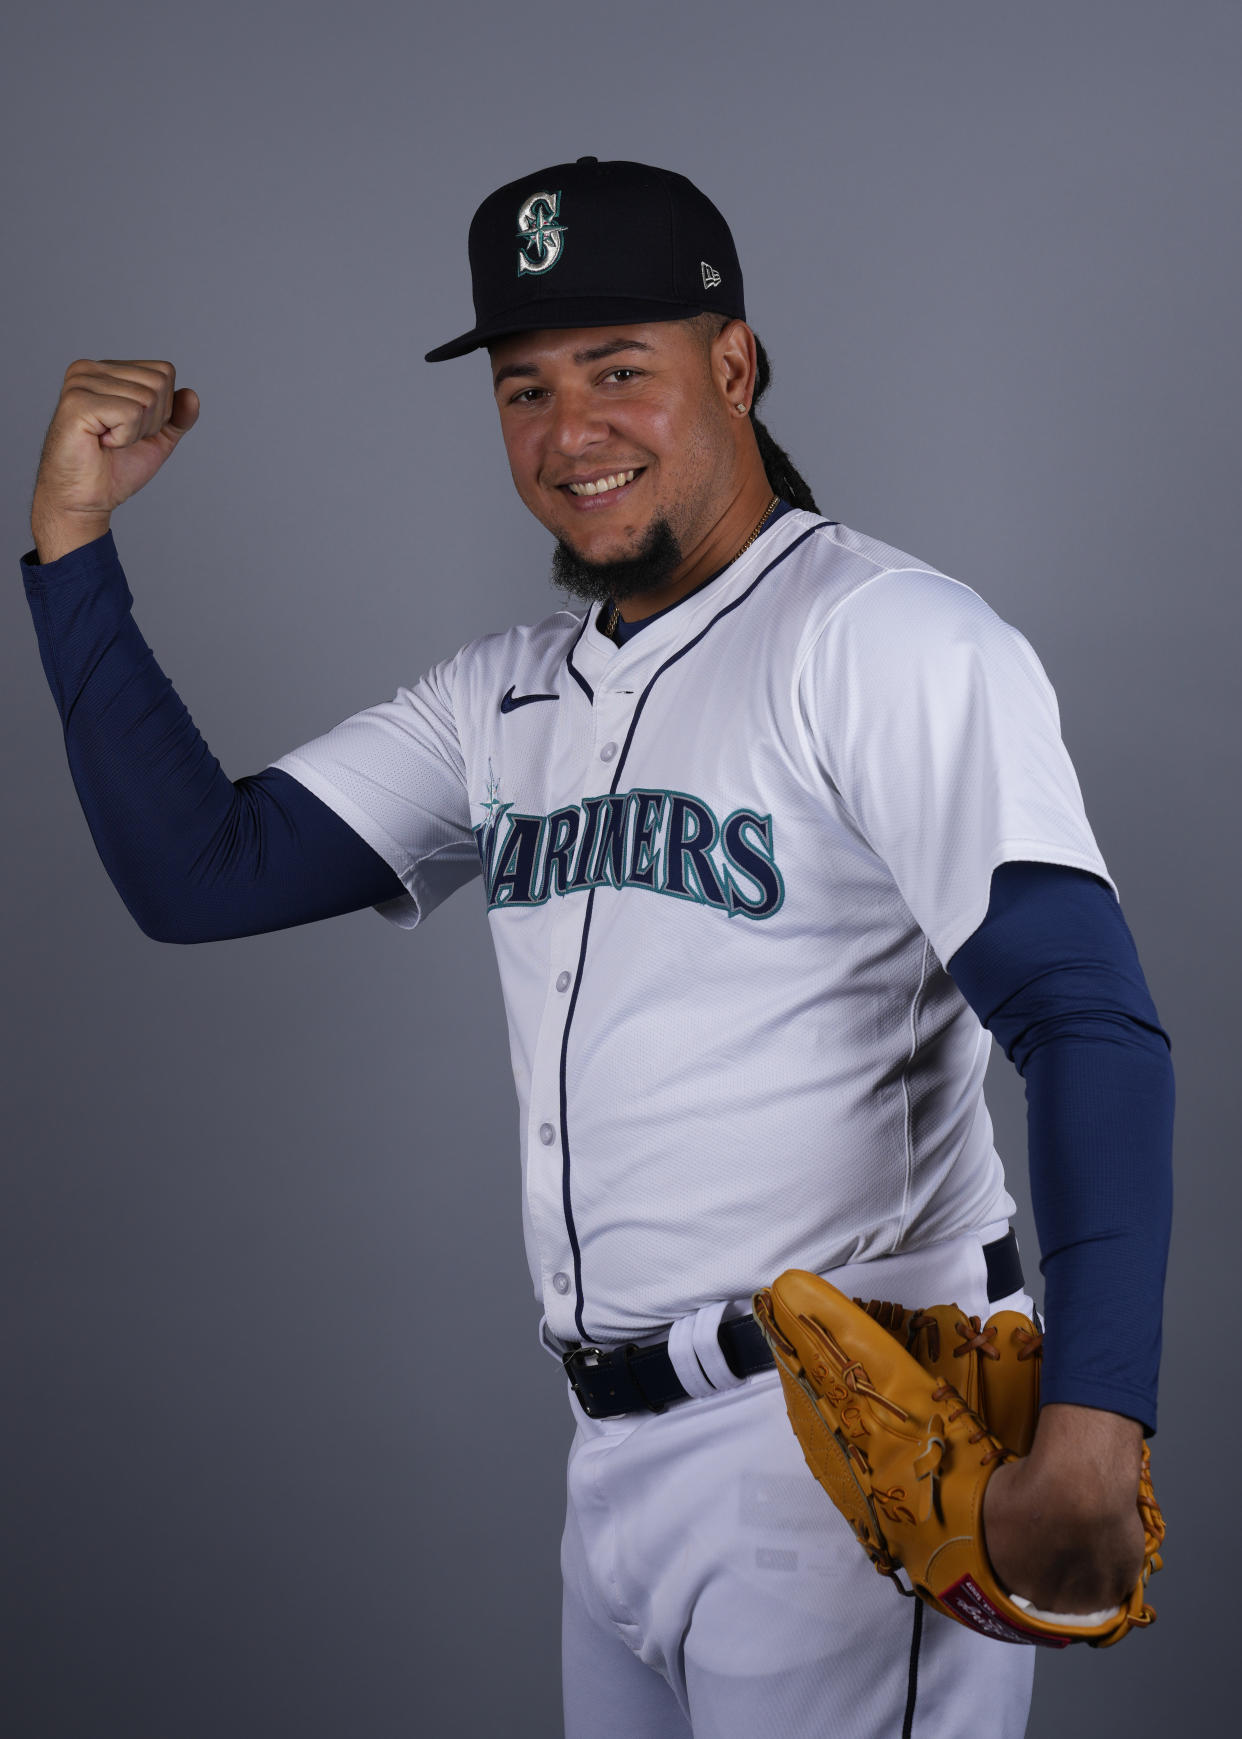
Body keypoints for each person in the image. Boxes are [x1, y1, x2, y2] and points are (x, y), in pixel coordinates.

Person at [20, 157, 1173, 1738]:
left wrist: (1098, 1422)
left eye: (618, 370)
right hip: (614, 1460)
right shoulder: (502, 698)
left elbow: (1082, 1016)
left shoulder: (881, 638)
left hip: (848, 1440)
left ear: (733, 365)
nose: (570, 434)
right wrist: (74, 541)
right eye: (524, 388)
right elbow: (197, 871)